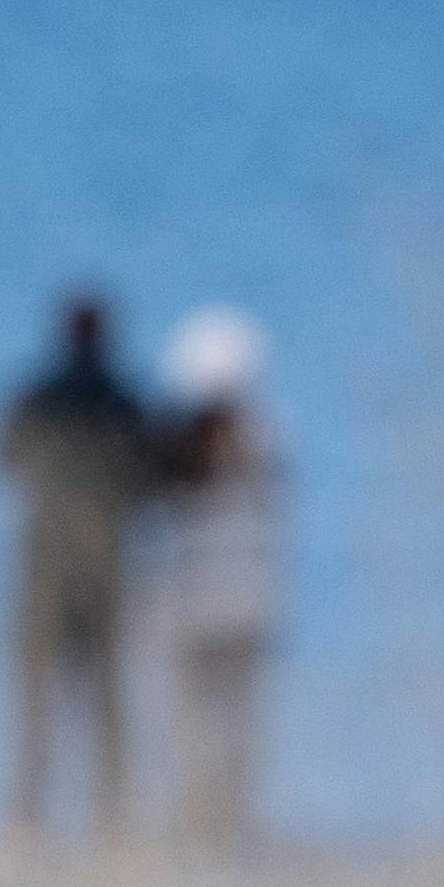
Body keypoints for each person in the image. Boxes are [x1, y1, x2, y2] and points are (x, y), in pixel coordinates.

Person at [0, 291, 156, 838]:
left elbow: (2, 457)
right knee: (107, 696)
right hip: (106, 564)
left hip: (45, 564)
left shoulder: (36, 399)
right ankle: (112, 815)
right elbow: (148, 481)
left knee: (37, 692)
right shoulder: (125, 403)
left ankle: (29, 813)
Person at [149, 305, 284, 852]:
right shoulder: (265, 441)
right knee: (237, 722)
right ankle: (231, 824)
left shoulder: (185, 447)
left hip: (195, 606)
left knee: (194, 722)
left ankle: (202, 822)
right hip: (248, 606)